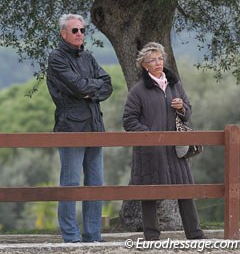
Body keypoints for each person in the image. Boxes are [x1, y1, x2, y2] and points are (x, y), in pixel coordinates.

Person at [122, 42, 206, 241]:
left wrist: (181, 107)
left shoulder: (175, 84)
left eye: (160, 58)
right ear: (144, 65)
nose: (158, 63)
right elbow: (129, 121)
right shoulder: (137, 91)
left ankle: (195, 235)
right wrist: (151, 136)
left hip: (176, 150)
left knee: (185, 190)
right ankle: (151, 237)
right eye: (152, 60)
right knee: (150, 192)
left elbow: (188, 111)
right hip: (150, 151)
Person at [47, 13, 113, 243]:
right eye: (75, 30)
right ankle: (71, 236)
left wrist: (89, 89)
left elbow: (108, 84)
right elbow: (76, 87)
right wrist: (89, 88)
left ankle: (93, 235)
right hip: (70, 129)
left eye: (83, 30)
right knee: (70, 184)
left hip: (95, 127)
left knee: (95, 184)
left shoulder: (89, 58)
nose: (80, 34)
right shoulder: (56, 58)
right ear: (63, 33)